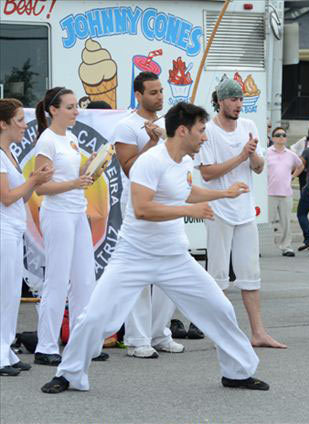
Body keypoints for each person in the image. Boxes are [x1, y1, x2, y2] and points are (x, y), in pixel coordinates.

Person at [40, 102, 269, 394]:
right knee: (96, 316)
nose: (205, 137)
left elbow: (185, 191)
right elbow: (143, 208)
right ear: (183, 130)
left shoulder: (184, 161)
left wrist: (223, 193)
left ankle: (237, 372)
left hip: (174, 256)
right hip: (134, 255)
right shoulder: (150, 161)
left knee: (220, 307)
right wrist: (193, 210)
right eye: (201, 130)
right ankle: (70, 374)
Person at [195, 79, 286, 348]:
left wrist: (252, 155)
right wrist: (240, 155)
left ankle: (258, 332)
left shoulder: (248, 126)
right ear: (220, 101)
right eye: (233, 99)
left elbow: (258, 167)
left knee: (250, 273)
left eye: (240, 99)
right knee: (218, 275)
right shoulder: (208, 131)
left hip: (245, 210)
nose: (238, 104)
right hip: (219, 209)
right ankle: (221, 333)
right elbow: (208, 173)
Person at [113, 71, 184, 359]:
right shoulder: (126, 126)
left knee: (171, 264)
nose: (159, 97)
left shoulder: (171, 123)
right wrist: (153, 144)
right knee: (139, 270)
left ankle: (160, 332)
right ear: (138, 95)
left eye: (161, 91)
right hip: (138, 201)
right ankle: (137, 338)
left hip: (168, 199)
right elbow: (130, 168)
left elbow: (180, 160)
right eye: (152, 92)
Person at [32, 87, 99, 366]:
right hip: (58, 213)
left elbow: (75, 175)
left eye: (76, 106)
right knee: (58, 279)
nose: (76, 111)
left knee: (85, 279)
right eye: (70, 107)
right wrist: (74, 183)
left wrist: (93, 167)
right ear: (53, 110)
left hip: (76, 211)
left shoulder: (70, 138)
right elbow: (42, 186)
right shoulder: (47, 141)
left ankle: (81, 342)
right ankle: (46, 346)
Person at [0, 99, 53, 376]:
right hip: (3, 230)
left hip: (12, 229)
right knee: (3, 293)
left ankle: (6, 349)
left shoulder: (7, 153)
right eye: (19, 120)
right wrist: (33, 181)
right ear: (3, 124)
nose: (23, 125)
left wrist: (33, 180)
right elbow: (7, 197)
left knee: (10, 294)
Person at [266, 126, 303, 256]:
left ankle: (286, 246)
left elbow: (300, 166)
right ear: (273, 138)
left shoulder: (291, 154)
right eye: (278, 135)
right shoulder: (266, 152)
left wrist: (293, 176)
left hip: (286, 193)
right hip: (269, 192)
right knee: (266, 221)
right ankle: (261, 247)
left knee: (286, 222)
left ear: (286, 138)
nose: (281, 137)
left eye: (283, 135)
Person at [290, 121, 309, 194]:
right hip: (305, 171)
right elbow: (293, 148)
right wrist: (299, 158)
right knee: (303, 190)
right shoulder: (305, 140)